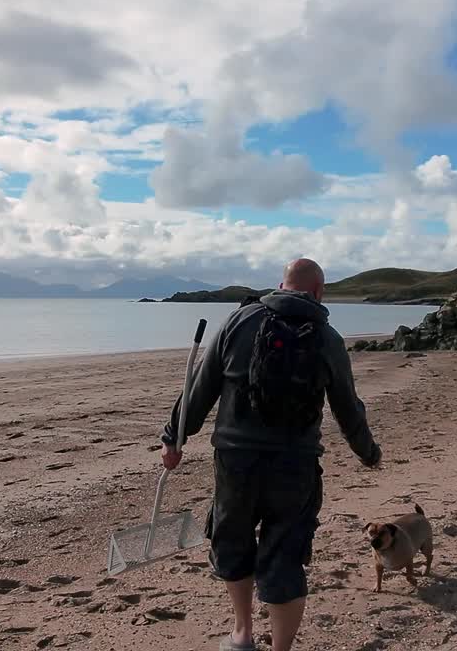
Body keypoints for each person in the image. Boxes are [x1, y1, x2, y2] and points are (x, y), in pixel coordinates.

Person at [160, 258, 383, 651]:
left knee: (233, 542)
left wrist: (174, 438)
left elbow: (201, 386)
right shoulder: (328, 337)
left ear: (280, 285)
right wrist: (368, 452)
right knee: (285, 556)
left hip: (236, 461)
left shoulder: (238, 320)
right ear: (318, 292)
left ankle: (242, 633)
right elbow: (348, 407)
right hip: (294, 467)